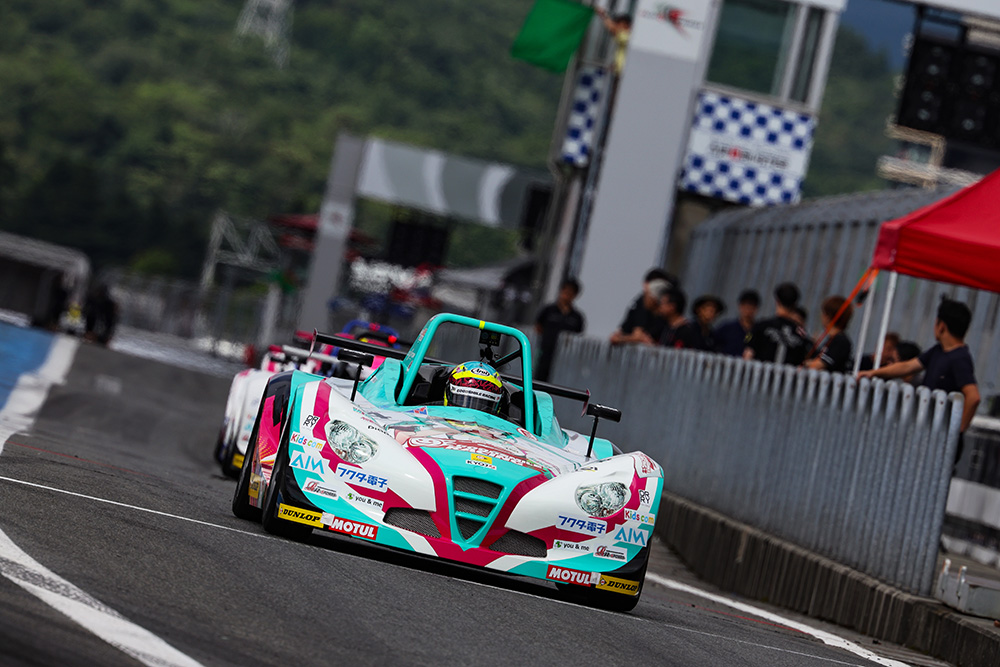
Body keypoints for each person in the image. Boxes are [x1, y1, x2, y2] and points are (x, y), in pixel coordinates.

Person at [858, 298, 980, 461]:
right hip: (928, 434)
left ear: (941, 326)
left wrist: (957, 432)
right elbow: (908, 366)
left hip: (941, 441)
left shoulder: (960, 358)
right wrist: (873, 373)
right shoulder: (938, 351)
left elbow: (973, 397)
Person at [744, 282, 812, 365]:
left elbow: (747, 343)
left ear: (777, 301)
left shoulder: (760, 326)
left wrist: (747, 337)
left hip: (760, 372)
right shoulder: (801, 334)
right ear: (795, 304)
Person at [534, 278, 585, 382]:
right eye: (566, 291)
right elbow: (538, 327)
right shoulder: (548, 311)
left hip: (564, 359)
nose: (567, 295)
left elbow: (579, 336)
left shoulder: (577, 317)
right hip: (545, 354)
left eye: (571, 293)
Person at [610, 269, 676, 345]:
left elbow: (638, 336)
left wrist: (620, 339)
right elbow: (632, 334)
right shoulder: (640, 304)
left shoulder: (664, 314)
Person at [804, 296, 854, 373]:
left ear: (828, 316)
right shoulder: (833, 339)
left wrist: (805, 363)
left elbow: (818, 365)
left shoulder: (840, 341)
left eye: (823, 313)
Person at [713, 289, 759, 356]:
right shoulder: (727, 328)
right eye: (745, 307)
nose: (748, 310)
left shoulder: (758, 331)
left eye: (751, 307)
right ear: (740, 307)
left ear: (756, 309)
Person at [595, 8, 632, 77]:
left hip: (624, 74)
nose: (617, 26)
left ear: (626, 24)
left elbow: (613, 28)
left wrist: (603, 15)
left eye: (619, 24)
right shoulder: (627, 36)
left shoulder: (628, 36)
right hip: (618, 71)